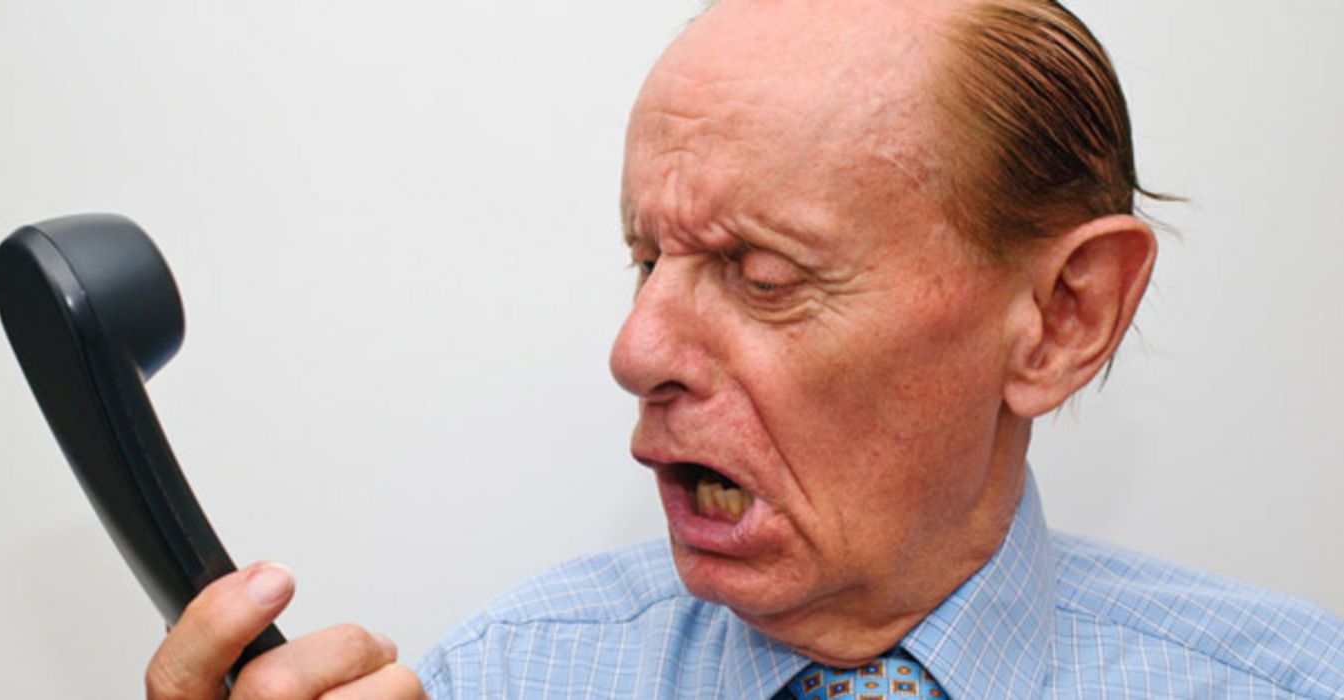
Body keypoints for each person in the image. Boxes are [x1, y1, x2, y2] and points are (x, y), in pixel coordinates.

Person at [144, 0, 1344, 698]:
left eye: (763, 274)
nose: (636, 346)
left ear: (1064, 316)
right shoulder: (506, 674)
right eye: (643, 262)